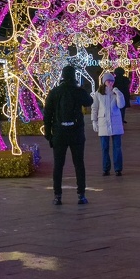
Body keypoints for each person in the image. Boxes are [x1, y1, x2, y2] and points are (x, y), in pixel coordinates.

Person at [42, 64, 93, 205]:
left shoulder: (55, 92)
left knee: (58, 165)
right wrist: (84, 89)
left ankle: (57, 196)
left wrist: (48, 133)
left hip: (59, 132)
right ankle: (81, 195)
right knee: (79, 164)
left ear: (62, 76)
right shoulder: (77, 91)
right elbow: (89, 101)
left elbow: (47, 114)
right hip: (76, 132)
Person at [92, 72, 125, 176]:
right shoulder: (98, 93)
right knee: (105, 147)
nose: (110, 82)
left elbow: (121, 105)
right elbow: (95, 108)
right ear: (104, 82)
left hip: (115, 122)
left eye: (111, 81)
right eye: (108, 80)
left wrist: (119, 94)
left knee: (117, 147)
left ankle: (118, 169)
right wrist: (94, 121)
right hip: (103, 123)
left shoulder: (115, 92)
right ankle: (106, 168)